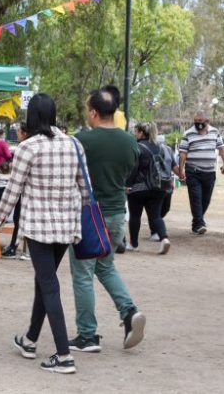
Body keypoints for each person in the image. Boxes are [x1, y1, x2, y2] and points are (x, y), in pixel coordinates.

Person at [0, 93, 87, 374]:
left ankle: (64, 356)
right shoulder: (74, 144)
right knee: (44, 282)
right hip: (67, 227)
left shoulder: (28, 147)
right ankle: (30, 340)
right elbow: (84, 188)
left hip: (39, 227)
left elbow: (12, 191)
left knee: (48, 284)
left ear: (31, 117)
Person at [70, 89, 145, 354]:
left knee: (83, 274)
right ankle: (129, 312)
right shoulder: (130, 141)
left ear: (93, 112)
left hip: (89, 216)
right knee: (106, 266)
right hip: (116, 214)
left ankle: (87, 335)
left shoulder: (81, 140)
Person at [126, 123, 172, 254]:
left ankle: (133, 244)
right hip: (159, 187)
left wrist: (128, 185)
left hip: (139, 188)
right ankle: (164, 238)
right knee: (156, 215)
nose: (135, 134)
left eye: (136, 132)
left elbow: (133, 169)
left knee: (135, 215)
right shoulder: (163, 147)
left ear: (141, 133)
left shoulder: (137, 147)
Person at [178, 111, 224, 234]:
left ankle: (196, 223)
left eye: (200, 122)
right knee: (196, 198)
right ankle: (199, 224)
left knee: (206, 199)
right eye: (196, 121)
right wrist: (181, 169)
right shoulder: (188, 133)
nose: (198, 124)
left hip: (210, 172)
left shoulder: (215, 132)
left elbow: (221, 149)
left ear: (207, 121)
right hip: (193, 171)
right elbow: (183, 153)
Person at [1, 122, 30, 260]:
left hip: (24, 189)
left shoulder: (24, 148)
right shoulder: (25, 147)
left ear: (24, 133)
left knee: (19, 218)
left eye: (19, 131)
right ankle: (15, 245)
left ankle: (15, 246)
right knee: (18, 218)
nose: (17, 134)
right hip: (25, 189)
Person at [149, 134, 179, 241]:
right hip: (154, 184)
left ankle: (157, 224)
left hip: (167, 183)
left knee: (166, 208)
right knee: (155, 209)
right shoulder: (150, 150)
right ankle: (155, 231)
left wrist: (181, 173)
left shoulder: (168, 150)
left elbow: (173, 165)